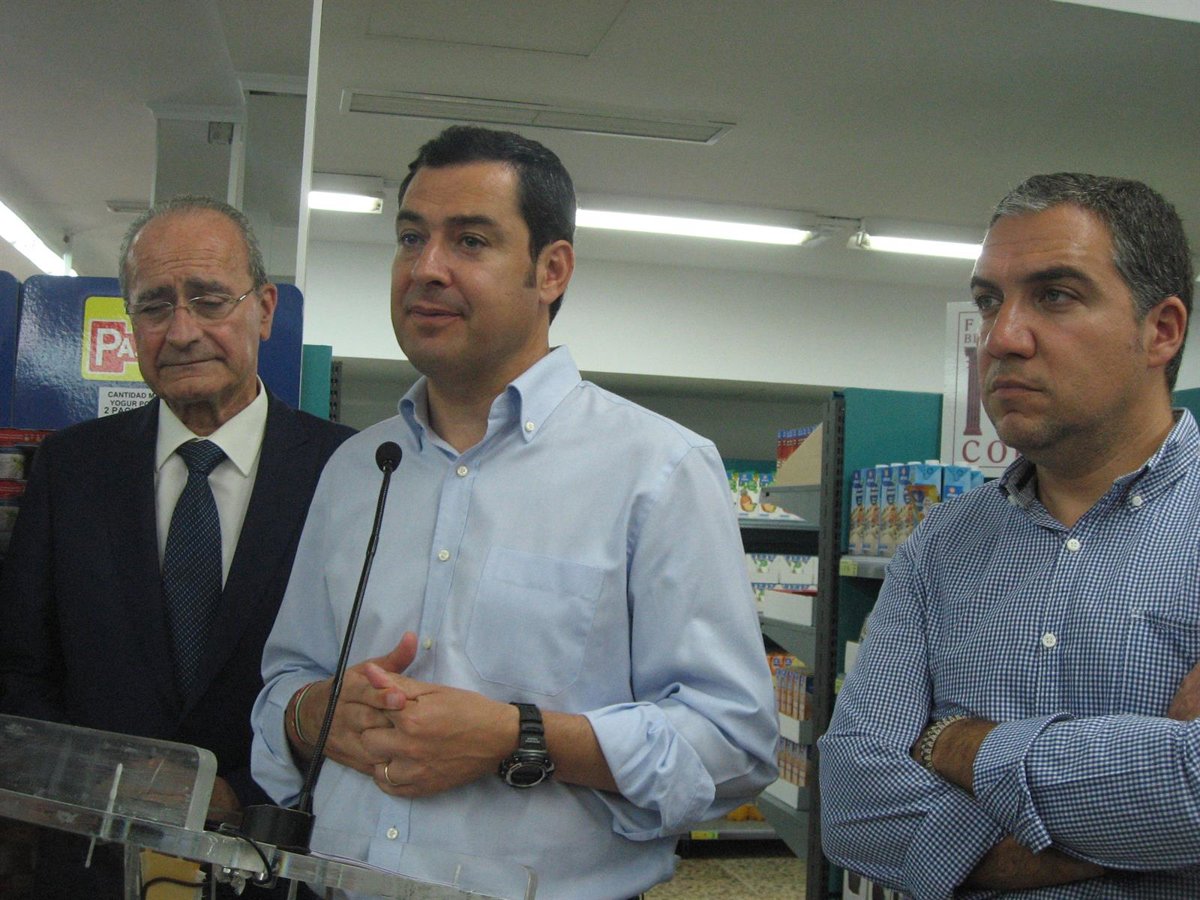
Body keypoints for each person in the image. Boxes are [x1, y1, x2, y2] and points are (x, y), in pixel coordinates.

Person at [250, 125, 779, 899]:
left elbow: (732, 743)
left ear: (551, 270)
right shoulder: (356, 470)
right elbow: (285, 681)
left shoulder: (658, 470)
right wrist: (311, 715)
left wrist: (519, 737)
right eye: (410, 238)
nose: (426, 269)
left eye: (470, 241)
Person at [819, 172, 1198, 898]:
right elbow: (853, 806)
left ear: (1161, 330)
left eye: (1055, 295)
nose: (999, 338)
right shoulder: (941, 543)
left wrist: (955, 743)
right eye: (990, 301)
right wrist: (1146, 827)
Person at [0, 195, 355, 898]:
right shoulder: (71, 469)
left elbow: (359, 676)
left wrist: (243, 793)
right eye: (155, 306)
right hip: (95, 863)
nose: (183, 331)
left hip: (277, 863)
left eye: (210, 300)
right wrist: (105, 783)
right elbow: (21, 670)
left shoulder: (349, 471)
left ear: (265, 309)